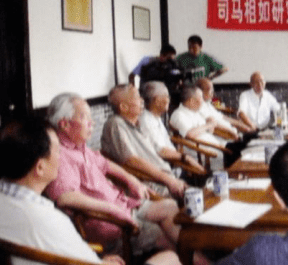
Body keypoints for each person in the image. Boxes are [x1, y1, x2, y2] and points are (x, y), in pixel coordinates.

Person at [0, 116, 185, 265]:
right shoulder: (46, 219)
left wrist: (97, 260)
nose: (60, 157)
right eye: (57, 151)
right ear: (40, 168)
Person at [44, 92, 183, 255]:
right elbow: (65, 197)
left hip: (124, 205)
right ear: (64, 124)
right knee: (166, 236)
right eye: (84, 117)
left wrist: (131, 180)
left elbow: (106, 164)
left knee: (171, 207)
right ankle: (194, 264)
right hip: (111, 223)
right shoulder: (59, 155)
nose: (92, 122)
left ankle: (194, 258)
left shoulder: (80, 146)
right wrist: (111, 209)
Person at [101, 84, 187, 198]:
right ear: (124, 107)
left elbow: (157, 149)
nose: (142, 100)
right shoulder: (115, 124)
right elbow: (131, 160)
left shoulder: (137, 123)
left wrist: (183, 159)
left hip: (166, 178)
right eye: (137, 97)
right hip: (152, 185)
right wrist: (168, 180)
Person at [139, 81, 205, 175]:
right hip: (162, 171)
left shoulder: (155, 117)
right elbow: (161, 151)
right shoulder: (147, 121)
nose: (169, 100)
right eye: (167, 96)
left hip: (173, 163)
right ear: (157, 101)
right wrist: (185, 158)